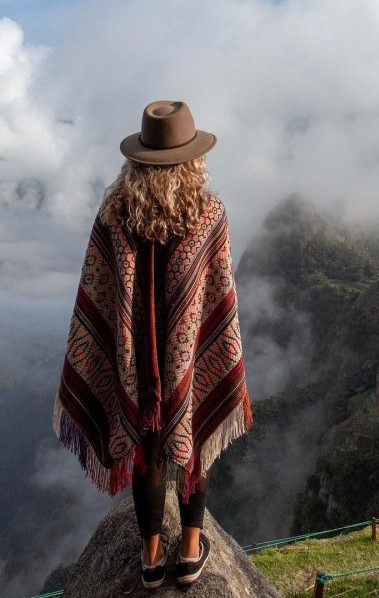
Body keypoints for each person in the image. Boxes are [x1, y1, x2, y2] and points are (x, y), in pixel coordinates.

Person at [51, 100, 253, 589]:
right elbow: (217, 293)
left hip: (133, 359)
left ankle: (151, 555)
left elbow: (98, 290)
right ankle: (190, 549)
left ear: (137, 161)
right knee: (193, 433)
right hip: (187, 355)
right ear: (192, 160)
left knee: (145, 444)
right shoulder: (209, 212)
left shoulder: (113, 214)